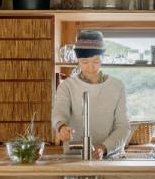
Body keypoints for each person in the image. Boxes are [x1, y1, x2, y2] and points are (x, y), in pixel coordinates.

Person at [51, 29, 131, 159]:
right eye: (84, 62)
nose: (90, 67)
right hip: (75, 156)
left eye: (95, 61)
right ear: (78, 60)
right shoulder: (67, 86)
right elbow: (59, 114)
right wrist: (61, 127)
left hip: (110, 156)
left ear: (102, 58)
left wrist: (104, 148)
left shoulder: (117, 86)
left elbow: (123, 126)